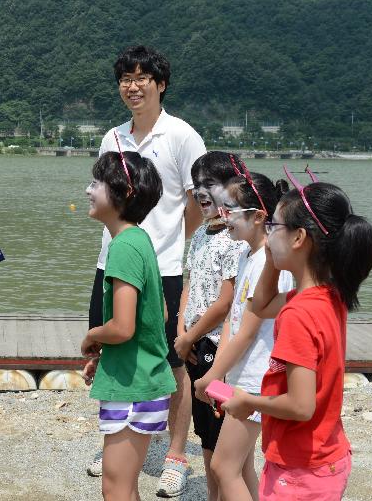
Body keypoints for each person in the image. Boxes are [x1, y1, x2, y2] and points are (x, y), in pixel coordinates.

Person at [86, 45, 206, 499]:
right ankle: (121, 441)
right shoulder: (113, 137)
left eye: (142, 78)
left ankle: (175, 454)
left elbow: (197, 201)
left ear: (161, 84)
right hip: (111, 262)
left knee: (172, 361)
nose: (132, 86)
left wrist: (170, 244)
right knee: (116, 348)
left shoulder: (181, 136)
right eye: (125, 79)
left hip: (164, 268)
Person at [221, 171, 372, 501]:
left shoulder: (298, 314)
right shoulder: (327, 296)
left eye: (273, 226)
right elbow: (261, 304)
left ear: (298, 239)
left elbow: (301, 405)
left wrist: (247, 402)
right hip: (325, 456)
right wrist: (272, 258)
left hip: (301, 470)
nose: (267, 233)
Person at [193, 166, 293, 501]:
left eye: (230, 211)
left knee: (224, 467)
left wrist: (210, 377)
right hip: (239, 376)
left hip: (255, 378)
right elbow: (231, 325)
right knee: (243, 465)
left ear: (259, 216)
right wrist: (217, 376)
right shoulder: (245, 256)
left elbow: (248, 333)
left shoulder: (268, 262)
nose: (223, 218)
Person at [81, 148, 176, 501]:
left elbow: (122, 327)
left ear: (123, 193)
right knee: (126, 485)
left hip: (134, 386)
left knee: (115, 488)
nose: (88, 190)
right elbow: (160, 314)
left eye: (96, 183)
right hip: (142, 378)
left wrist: (92, 335)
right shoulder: (141, 240)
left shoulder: (123, 247)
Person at [173, 152, 247, 501]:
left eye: (210, 184)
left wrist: (190, 336)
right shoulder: (202, 233)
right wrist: (180, 331)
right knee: (205, 432)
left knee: (222, 435)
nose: (202, 192)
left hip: (217, 346)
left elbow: (225, 302)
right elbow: (189, 283)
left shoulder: (236, 239)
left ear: (234, 189)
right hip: (193, 343)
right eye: (197, 184)